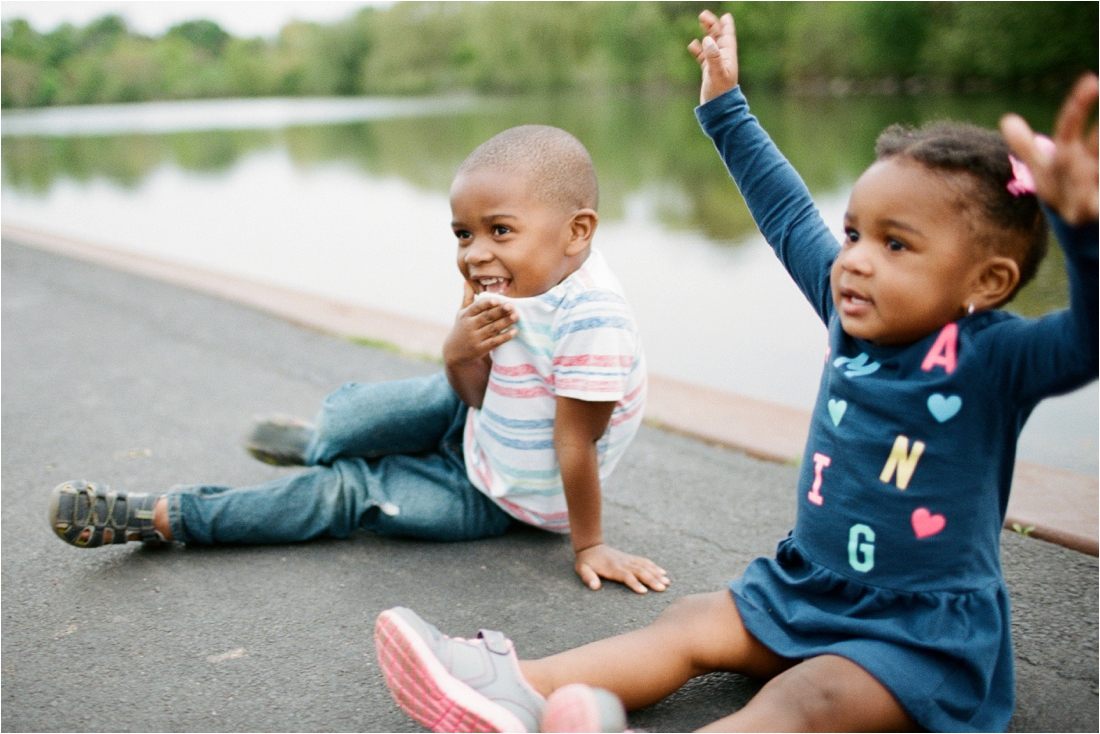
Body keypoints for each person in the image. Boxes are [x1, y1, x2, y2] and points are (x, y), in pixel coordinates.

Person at [371, 11, 1098, 733]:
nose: (857, 257)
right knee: (689, 623)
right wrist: (725, 105)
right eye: (854, 232)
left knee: (802, 698)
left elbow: (1085, 339)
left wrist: (1081, 231)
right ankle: (515, 691)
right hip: (806, 586)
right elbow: (784, 212)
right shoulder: (850, 312)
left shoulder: (995, 358)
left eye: (897, 244)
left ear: (992, 281)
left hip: (917, 634)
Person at [47, 124, 671, 598]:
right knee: (352, 414)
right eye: (462, 233)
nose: (475, 254)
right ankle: (326, 438)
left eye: (499, 231)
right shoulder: (509, 275)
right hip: (481, 418)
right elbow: (475, 392)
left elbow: (575, 444)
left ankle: (162, 516)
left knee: (345, 494)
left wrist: (589, 544)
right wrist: (456, 350)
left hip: (499, 493)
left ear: (577, 231)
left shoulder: (595, 322)